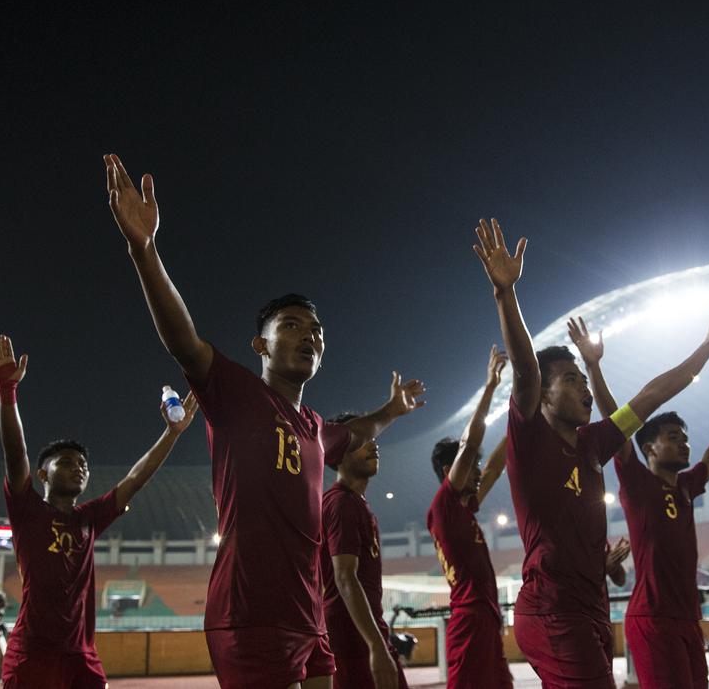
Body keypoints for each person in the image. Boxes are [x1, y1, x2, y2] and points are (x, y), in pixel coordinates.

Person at [105, 154, 426, 689]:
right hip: (250, 612)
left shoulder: (315, 428)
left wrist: (392, 411)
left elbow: (358, 431)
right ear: (261, 344)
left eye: (316, 331)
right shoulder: (236, 394)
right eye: (292, 325)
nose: (309, 336)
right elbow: (183, 340)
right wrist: (145, 250)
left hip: (309, 616)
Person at [472, 219, 709, 688]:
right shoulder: (530, 436)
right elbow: (527, 372)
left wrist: (706, 349)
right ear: (545, 396)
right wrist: (505, 294)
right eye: (570, 380)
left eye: (584, 381)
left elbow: (651, 396)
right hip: (552, 611)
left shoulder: (596, 443)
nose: (584, 390)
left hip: (590, 608)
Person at [0, 334, 197, 688]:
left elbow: (134, 479)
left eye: (83, 464)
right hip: (33, 654)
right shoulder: (28, 511)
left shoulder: (89, 518)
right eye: (67, 462)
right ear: (43, 474)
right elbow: (15, 453)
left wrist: (172, 433)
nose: (79, 468)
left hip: (82, 657)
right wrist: (7, 392)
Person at [573, 314, 709, 688]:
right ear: (649, 448)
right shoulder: (637, 482)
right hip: (653, 620)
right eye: (673, 437)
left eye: (685, 438)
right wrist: (593, 366)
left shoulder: (685, 486)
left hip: (688, 619)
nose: (684, 443)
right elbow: (615, 419)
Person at [426, 345, 514, 688]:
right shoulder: (444, 506)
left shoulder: (464, 508)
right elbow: (471, 444)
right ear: (450, 470)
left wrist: (522, 412)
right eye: (470, 465)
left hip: (486, 617)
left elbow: (494, 467)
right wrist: (490, 386)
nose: (477, 471)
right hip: (470, 620)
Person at [321, 413, 408, 689]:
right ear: (338, 453)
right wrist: (376, 646)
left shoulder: (355, 503)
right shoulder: (341, 504)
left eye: (372, 438)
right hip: (352, 638)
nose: (373, 444)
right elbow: (345, 577)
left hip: (363, 632)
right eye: (361, 440)